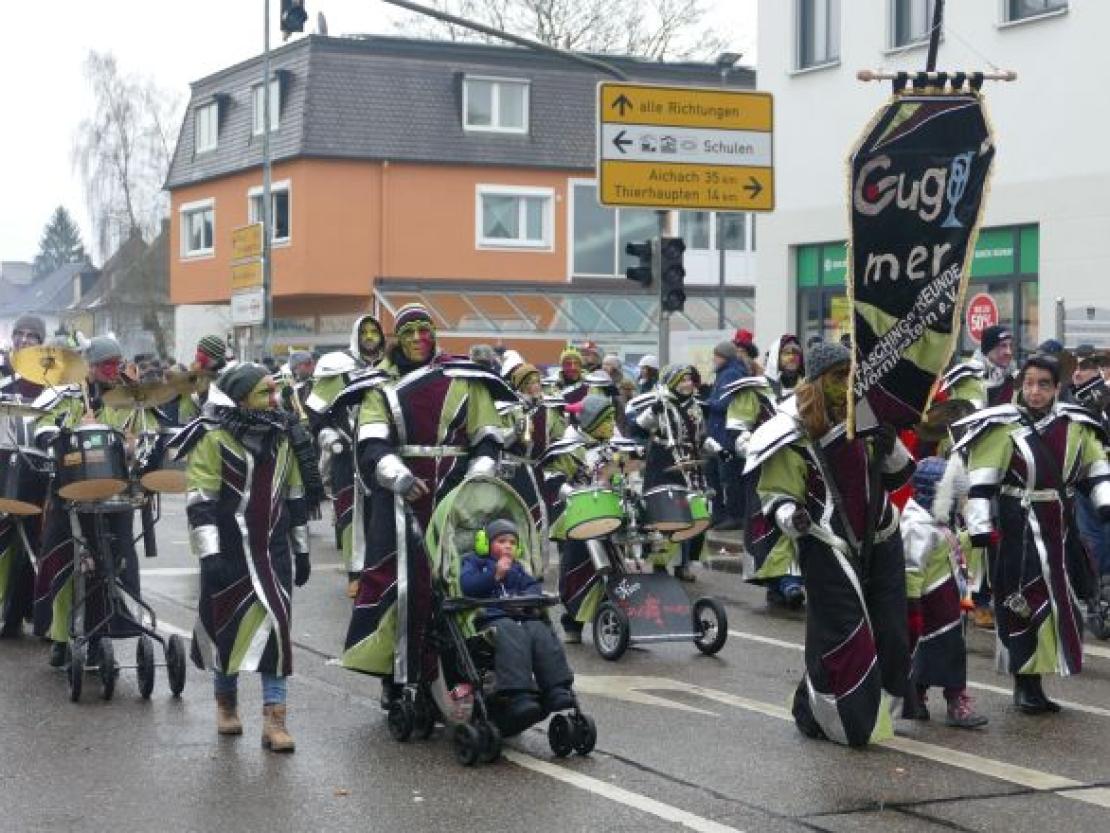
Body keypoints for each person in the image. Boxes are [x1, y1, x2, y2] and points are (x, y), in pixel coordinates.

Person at [746, 342, 913, 746]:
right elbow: (776, 493)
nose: (847, 385)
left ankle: (813, 701)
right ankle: (850, 723)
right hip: (827, 541)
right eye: (838, 377)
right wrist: (792, 516)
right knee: (846, 636)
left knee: (892, 632)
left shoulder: (868, 410)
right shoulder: (791, 425)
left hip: (882, 534)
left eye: (850, 375)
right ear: (819, 381)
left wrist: (889, 444)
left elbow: (900, 474)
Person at [341, 303, 508, 707]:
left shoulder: (466, 378)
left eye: (425, 329)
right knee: (400, 587)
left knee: (467, 581)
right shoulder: (379, 385)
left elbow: (488, 436)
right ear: (399, 337)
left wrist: (478, 474)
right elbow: (372, 442)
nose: (419, 338)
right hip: (400, 500)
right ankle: (399, 677)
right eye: (410, 331)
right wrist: (396, 475)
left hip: (459, 499)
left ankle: (468, 670)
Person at [955, 353, 1110, 714]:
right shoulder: (1002, 426)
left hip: (1060, 528)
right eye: (1028, 383)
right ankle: (1024, 683)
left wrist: (1105, 502)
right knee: (1021, 603)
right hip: (1018, 528)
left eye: (1043, 384)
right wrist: (979, 526)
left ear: (1058, 388)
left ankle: (1037, 680)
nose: (1035, 391)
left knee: (1059, 603)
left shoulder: (1076, 425)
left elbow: (1097, 470)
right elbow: (982, 484)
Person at [177, 363, 311, 751]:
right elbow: (200, 501)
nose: (274, 400)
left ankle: (275, 720)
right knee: (227, 630)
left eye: (275, 392)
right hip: (230, 551)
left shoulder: (284, 437)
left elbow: (296, 495)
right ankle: (226, 705)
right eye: (264, 394)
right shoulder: (212, 438)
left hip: (274, 550)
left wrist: (302, 549)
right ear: (240, 398)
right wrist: (209, 555)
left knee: (277, 629)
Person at [31, 336, 143, 666]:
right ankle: (61, 636)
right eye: (107, 365)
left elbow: (142, 434)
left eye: (117, 364)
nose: (113, 371)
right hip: (69, 490)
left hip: (113, 492)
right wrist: (71, 429)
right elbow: (41, 426)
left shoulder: (127, 398)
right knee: (62, 562)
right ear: (90, 367)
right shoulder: (68, 394)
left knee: (109, 564)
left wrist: (133, 445)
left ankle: (99, 636)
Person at [459, 519, 575, 730]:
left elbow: (533, 587)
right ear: (485, 544)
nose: (508, 546)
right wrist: (495, 575)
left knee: (540, 630)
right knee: (512, 632)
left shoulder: (518, 567)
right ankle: (518, 694)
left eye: (512, 542)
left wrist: (525, 599)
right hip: (491, 617)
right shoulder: (474, 563)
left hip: (520, 616)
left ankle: (556, 688)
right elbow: (468, 586)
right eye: (501, 541)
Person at [900, 457, 987, 729]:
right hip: (930, 601)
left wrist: (974, 538)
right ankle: (947, 700)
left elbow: (949, 547)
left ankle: (932, 697)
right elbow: (911, 568)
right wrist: (912, 606)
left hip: (948, 598)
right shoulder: (917, 526)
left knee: (942, 650)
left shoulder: (936, 522)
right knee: (938, 651)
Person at [626, 364, 707, 581]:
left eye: (690, 380)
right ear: (672, 382)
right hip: (663, 462)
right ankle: (659, 562)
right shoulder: (661, 403)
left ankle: (683, 563)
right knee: (662, 512)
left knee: (690, 512)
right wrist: (653, 413)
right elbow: (636, 429)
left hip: (690, 463)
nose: (687, 384)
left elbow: (702, 436)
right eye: (682, 380)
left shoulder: (696, 407)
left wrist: (718, 449)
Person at [1068, 345, 1110, 604]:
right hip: (1088, 477)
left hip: (1095, 476)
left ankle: (1101, 594)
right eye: (1076, 367)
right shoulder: (1081, 396)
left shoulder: (1096, 398)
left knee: (1095, 535)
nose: (1077, 373)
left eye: (1084, 367)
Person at [702, 341, 747, 531]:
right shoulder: (727, 373)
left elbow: (725, 403)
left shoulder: (731, 374)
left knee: (728, 477)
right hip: (719, 436)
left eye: (717, 356)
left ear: (724, 357)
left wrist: (706, 403)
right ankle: (719, 514)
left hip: (725, 438)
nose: (714, 359)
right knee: (715, 474)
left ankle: (733, 515)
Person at [940, 325, 1016, 409]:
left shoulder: (1013, 377)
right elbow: (970, 415)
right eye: (1003, 346)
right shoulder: (968, 376)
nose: (1008, 352)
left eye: (1010, 346)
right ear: (988, 349)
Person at [763, 335, 804, 400]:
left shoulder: (808, 385)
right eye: (787, 353)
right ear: (776, 357)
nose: (792, 357)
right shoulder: (765, 386)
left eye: (796, 353)